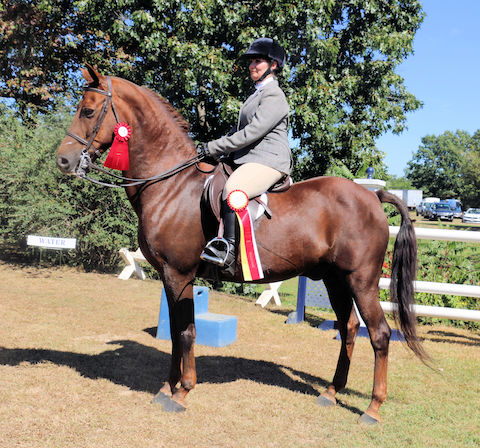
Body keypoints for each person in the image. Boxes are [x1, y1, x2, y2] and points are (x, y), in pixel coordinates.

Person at [197, 37, 292, 274]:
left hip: (268, 160)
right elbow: (238, 132)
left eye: (258, 61)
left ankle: (228, 251)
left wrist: (215, 147)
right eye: (251, 61)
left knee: (233, 189)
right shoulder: (256, 94)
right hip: (248, 157)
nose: (252, 66)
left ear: (273, 65)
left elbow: (252, 133)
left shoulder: (274, 95)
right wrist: (212, 147)